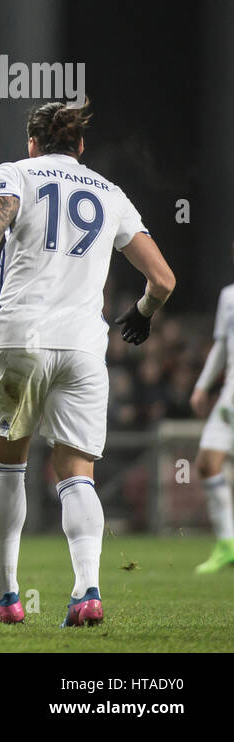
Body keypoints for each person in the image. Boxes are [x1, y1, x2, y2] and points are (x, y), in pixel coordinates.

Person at [0, 102, 175, 626]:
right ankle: (87, 592)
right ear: (80, 147)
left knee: (7, 465)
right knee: (78, 474)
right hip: (83, 347)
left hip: (19, 339)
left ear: (31, 143)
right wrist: (144, 313)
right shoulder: (110, 193)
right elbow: (164, 281)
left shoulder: (15, 173)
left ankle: (8, 597)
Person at [190, 244, 234, 574]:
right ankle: (227, 545)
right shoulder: (229, 296)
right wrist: (203, 386)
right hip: (230, 394)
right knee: (208, 463)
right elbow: (222, 344)